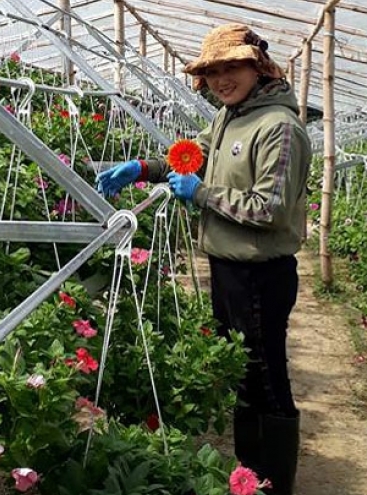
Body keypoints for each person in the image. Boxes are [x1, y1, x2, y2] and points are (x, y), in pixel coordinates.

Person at [96, 23, 312, 494]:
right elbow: (194, 154)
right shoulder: (230, 117)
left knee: (267, 376)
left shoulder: (280, 127)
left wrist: (203, 195)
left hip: (260, 274)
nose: (220, 79)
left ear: (257, 65)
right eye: (213, 71)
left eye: (231, 67)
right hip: (229, 268)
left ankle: (276, 481)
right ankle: (248, 475)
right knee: (241, 372)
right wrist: (145, 168)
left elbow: (270, 209)